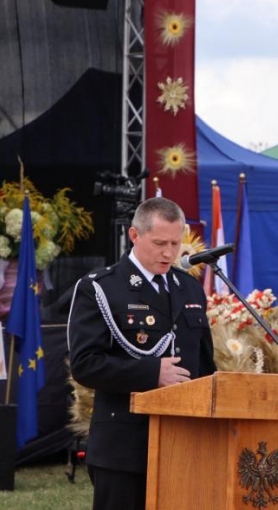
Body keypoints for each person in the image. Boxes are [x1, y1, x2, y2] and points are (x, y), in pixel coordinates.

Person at [68, 197, 216, 510]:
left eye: (176, 243)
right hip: (124, 445)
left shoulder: (188, 288)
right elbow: (85, 364)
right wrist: (151, 373)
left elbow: (204, 363)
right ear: (135, 236)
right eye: (160, 242)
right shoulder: (102, 288)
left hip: (184, 440)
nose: (168, 253)